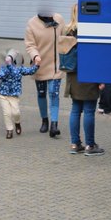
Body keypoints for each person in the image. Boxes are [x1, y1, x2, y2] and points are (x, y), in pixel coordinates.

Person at [24, 8, 65, 138]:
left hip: (56, 66)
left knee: (54, 94)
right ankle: (44, 120)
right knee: (41, 94)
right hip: (40, 64)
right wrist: (35, 56)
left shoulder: (59, 19)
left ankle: (54, 125)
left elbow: (65, 39)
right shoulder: (32, 23)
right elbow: (30, 45)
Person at [0, 48, 37, 139]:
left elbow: (30, 71)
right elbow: (1, 76)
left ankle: (17, 123)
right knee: (7, 113)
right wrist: (8, 66)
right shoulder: (3, 67)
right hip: (3, 94)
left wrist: (37, 65)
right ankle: (9, 130)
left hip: (14, 95)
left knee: (16, 112)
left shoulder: (19, 68)